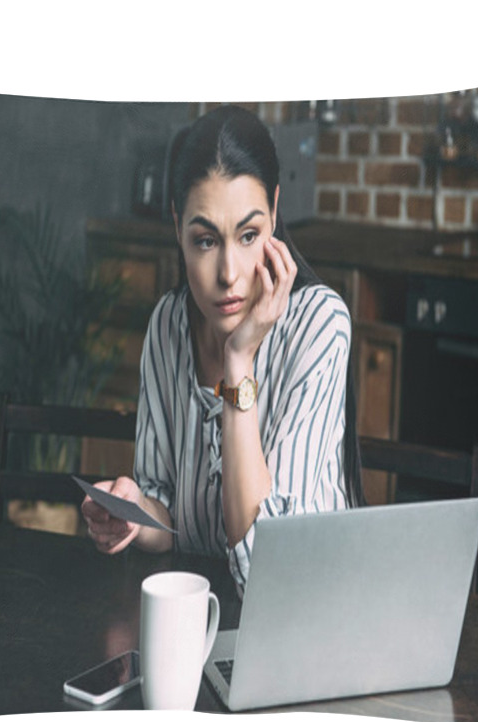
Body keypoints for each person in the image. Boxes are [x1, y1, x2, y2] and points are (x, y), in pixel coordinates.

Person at [82, 104, 363, 591]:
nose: (229, 274)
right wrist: (134, 512)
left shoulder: (320, 326)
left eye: (249, 235)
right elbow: (171, 521)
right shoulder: (169, 326)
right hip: (203, 620)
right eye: (206, 241)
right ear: (178, 229)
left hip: (306, 619)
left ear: (275, 213)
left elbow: (265, 568)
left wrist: (238, 361)